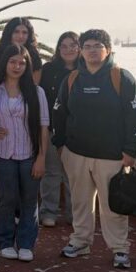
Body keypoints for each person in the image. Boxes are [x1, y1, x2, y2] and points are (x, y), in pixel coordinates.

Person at [51, 29, 136, 269]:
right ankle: (80, 242)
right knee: (80, 203)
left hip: (112, 156)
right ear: (81, 51)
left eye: (97, 46)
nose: (92, 51)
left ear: (108, 50)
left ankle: (120, 249)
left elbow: (135, 116)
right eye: (87, 46)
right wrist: (60, 145)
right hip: (76, 153)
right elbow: (59, 113)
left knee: (113, 207)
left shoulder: (122, 78)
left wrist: (131, 150)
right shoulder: (72, 79)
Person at [0, 44, 49, 262]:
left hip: (29, 154)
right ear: (4, 63)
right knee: (7, 198)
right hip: (2, 153)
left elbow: (43, 126)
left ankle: (26, 243)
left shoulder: (36, 92)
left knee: (29, 200)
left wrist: (41, 157)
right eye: (13, 62)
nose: (17, 66)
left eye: (22, 63)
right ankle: (5, 242)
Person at [0, 17, 43, 227]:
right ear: (9, 33)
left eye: (24, 32)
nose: (20, 36)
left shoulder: (35, 59)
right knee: (0, 179)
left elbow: (33, 93)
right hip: (0, 125)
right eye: (16, 31)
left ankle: (22, 219)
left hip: (26, 128)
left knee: (27, 184)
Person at [38, 32, 79, 227]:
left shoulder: (86, 71)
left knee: (74, 175)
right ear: (58, 49)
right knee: (51, 172)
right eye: (64, 45)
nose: (68, 49)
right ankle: (48, 212)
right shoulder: (48, 69)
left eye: (73, 45)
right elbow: (40, 96)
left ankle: (75, 215)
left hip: (77, 132)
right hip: (51, 129)